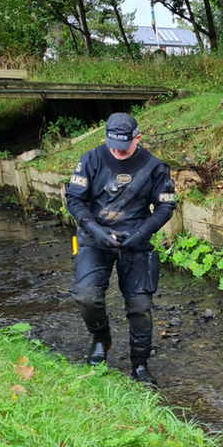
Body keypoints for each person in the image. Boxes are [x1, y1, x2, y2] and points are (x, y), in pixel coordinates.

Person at [65, 112, 177, 386]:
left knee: (140, 306)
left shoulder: (154, 167)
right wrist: (94, 229)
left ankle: (139, 364)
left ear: (137, 138)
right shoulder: (91, 159)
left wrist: (142, 232)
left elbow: (165, 206)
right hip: (95, 238)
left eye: (123, 146)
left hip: (136, 241)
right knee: (87, 297)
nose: (116, 151)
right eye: (112, 145)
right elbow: (74, 200)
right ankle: (101, 337)